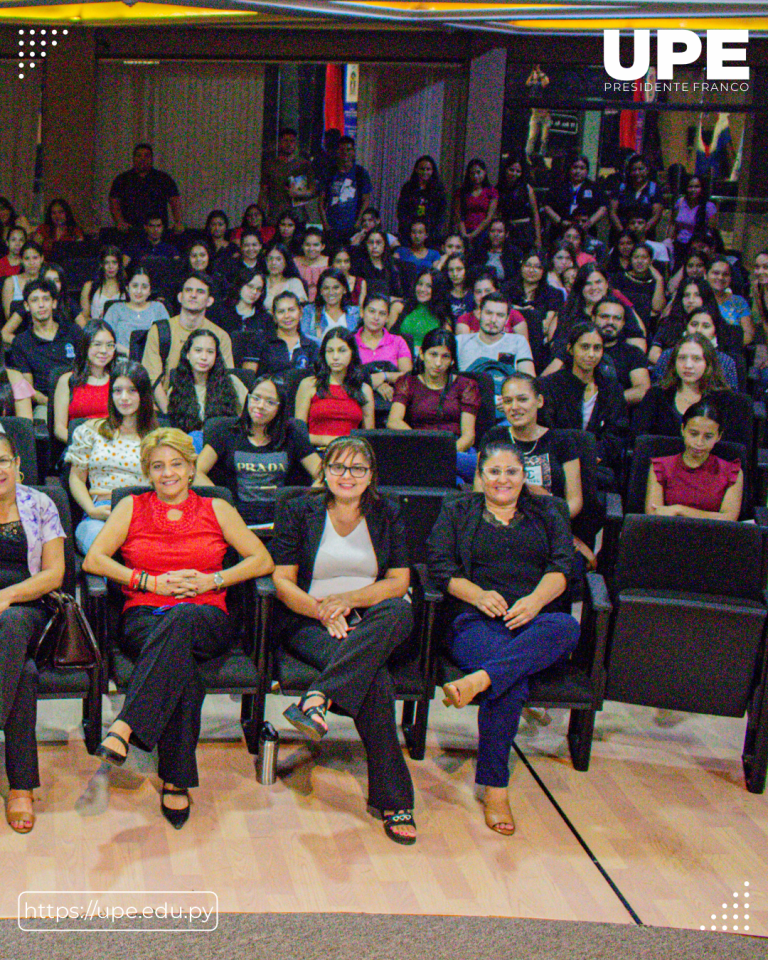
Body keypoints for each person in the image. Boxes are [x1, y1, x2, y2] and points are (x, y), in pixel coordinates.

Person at [84, 428, 273, 828]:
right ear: (148, 473)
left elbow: (261, 560)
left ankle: (125, 724)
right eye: (157, 466)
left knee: (184, 618)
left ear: (191, 469)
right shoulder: (131, 506)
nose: (167, 473)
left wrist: (212, 581)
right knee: (180, 664)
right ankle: (176, 780)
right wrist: (147, 582)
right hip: (144, 616)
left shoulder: (216, 508)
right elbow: (94, 560)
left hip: (206, 615)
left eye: (176, 464)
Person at [427, 437, 579, 835]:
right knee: (512, 683)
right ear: (479, 475)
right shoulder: (458, 509)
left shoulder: (548, 510)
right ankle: (495, 788)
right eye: (493, 471)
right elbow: (439, 567)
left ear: (523, 475)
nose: (502, 480)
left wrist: (533, 601)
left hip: (535, 619)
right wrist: (476, 595)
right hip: (475, 622)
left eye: (511, 471)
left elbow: (565, 566)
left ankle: (480, 680)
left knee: (567, 626)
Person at [271, 436, 417, 844]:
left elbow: (399, 581)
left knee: (401, 609)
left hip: (374, 616)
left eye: (357, 469)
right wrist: (323, 609)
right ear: (325, 471)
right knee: (375, 680)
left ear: (371, 476)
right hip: (310, 616)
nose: (346, 476)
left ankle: (317, 697)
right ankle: (394, 801)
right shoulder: (299, 509)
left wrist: (349, 601)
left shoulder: (386, 511)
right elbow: (282, 582)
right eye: (338, 467)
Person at [0, 433, 66, 833]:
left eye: (2, 460)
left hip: (29, 608)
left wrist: (6, 596)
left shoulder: (39, 503)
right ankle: (22, 787)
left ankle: (22, 786)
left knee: (9, 624)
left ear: (17, 462)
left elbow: (53, 574)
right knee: (21, 673)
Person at [197, 375, 321, 526]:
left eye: (270, 402)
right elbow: (195, 472)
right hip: (234, 521)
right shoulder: (226, 431)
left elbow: (323, 473)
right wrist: (222, 503)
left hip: (282, 522)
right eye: (256, 398)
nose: (260, 405)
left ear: (280, 407)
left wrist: (304, 503)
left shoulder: (292, 434)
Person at [66, 360, 156, 553]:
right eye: (117, 390)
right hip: (101, 512)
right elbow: (76, 478)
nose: (124, 398)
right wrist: (91, 509)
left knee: (147, 549)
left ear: (144, 394)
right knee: (102, 545)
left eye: (132, 391)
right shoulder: (90, 430)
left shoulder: (158, 437)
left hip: (146, 512)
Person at [539, 323, 628, 488]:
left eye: (597, 348)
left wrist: (593, 456)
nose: (591, 354)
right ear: (571, 349)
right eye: (585, 347)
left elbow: (616, 433)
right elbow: (546, 428)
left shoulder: (612, 388)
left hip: (595, 465)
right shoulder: (549, 385)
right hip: (556, 461)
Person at [387, 328, 480, 480]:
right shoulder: (407, 382)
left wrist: (443, 453)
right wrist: (425, 445)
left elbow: (468, 436)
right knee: (452, 479)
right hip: (417, 447)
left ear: (452, 360)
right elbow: (393, 421)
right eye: (433, 354)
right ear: (422, 354)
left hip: (455, 451)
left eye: (445, 356)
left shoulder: (466, 385)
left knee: (472, 465)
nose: (438, 363)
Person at [141, 271, 234, 414]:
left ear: (209, 301)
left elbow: (225, 379)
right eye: (188, 290)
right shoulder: (160, 330)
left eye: (200, 292)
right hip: (165, 410)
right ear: (180, 297)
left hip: (207, 411)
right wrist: (170, 413)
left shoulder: (220, 336)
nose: (193, 295)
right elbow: (152, 378)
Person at [645, 399, 743, 522]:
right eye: (693, 434)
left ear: (719, 436)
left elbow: (728, 519)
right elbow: (653, 515)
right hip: (669, 534)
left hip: (714, 536)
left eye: (708, 437)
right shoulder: (660, 466)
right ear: (683, 429)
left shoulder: (731, 472)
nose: (699, 443)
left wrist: (679, 510)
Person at [633, 332, 731, 441]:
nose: (688, 365)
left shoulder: (724, 400)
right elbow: (640, 440)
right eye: (682, 358)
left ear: (708, 364)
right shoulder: (656, 395)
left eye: (696, 359)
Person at [10, 279, 82, 419]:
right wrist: (53, 403)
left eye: (46, 299)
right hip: (45, 403)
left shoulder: (73, 331)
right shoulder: (21, 342)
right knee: (41, 421)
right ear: (26, 305)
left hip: (78, 397)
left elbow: (86, 369)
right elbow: (28, 389)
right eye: (35, 300)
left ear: (54, 303)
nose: (41, 305)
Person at [166, 328, 245, 451]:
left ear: (216, 356)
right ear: (187, 354)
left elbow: (249, 417)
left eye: (210, 352)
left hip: (224, 449)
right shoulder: (176, 389)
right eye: (198, 351)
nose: (204, 357)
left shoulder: (232, 383)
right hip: (189, 450)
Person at [294, 328, 375, 446]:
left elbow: (369, 438)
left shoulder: (364, 389)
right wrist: (329, 441)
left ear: (352, 353)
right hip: (317, 452)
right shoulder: (309, 385)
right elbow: (298, 435)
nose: (335, 357)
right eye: (330, 351)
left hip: (352, 454)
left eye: (342, 351)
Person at [457, 293, 535, 415]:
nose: (493, 320)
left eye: (500, 315)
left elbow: (529, 381)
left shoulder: (518, 341)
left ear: (507, 318)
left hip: (507, 410)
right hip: (466, 408)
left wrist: (510, 400)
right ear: (479, 313)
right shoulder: (460, 341)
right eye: (489, 313)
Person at [52, 320, 116, 443]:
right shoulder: (67, 380)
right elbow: (59, 429)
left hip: (112, 446)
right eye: (97, 344)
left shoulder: (118, 381)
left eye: (110, 345)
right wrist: (83, 444)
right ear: (85, 346)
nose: (104, 350)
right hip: (79, 446)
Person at [504, 250, 561, 372]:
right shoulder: (507, 288)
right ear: (521, 266)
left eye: (537, 267)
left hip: (539, 343)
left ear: (543, 270)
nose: (531, 270)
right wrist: (519, 310)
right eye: (528, 265)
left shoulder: (554, 293)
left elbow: (548, 322)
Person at [652, 309, 738, 391]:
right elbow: (656, 389)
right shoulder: (667, 355)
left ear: (715, 332)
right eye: (694, 324)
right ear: (686, 327)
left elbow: (731, 399)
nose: (698, 330)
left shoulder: (725, 361)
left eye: (706, 326)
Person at [241, 290, 318, 378]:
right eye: (281, 311)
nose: (287, 316)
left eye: (291, 310)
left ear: (300, 313)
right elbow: (247, 377)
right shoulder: (260, 340)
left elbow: (315, 380)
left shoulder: (311, 345)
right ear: (274, 316)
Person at [109, 143, 183, 233]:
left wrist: (178, 222)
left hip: (157, 232)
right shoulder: (122, 180)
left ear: (152, 159)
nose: (142, 159)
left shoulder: (163, 179)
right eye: (139, 156)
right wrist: (119, 222)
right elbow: (114, 203)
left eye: (146, 156)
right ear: (133, 158)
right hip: (130, 231)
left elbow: (175, 201)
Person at [103, 264, 171, 358]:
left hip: (153, 361)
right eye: (135, 286)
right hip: (121, 361)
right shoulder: (115, 309)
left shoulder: (158, 308)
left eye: (144, 287)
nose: (139, 291)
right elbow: (105, 339)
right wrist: (130, 353)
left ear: (150, 290)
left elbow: (167, 339)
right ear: (127, 288)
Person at [355, 293, 412, 403]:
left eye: (382, 313)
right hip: (358, 401)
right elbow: (345, 377)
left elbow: (408, 378)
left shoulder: (398, 342)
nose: (376, 317)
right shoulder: (350, 342)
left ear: (388, 317)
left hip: (392, 401)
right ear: (362, 312)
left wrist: (383, 376)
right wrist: (374, 385)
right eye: (371, 311)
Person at [651, 277, 720, 363]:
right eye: (686, 295)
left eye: (697, 295)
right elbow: (653, 354)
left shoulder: (718, 324)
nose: (690, 300)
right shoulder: (668, 323)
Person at [258, 128, 317, 225]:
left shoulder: (304, 165)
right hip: (275, 216)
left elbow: (312, 191)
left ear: (296, 143)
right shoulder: (270, 165)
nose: (289, 144)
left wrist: (299, 194)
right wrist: (260, 215)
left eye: (292, 141)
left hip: (298, 217)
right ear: (280, 143)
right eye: (285, 141)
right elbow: (263, 193)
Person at [319, 136, 373, 242]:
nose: (345, 153)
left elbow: (366, 200)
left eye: (349, 149)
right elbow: (321, 203)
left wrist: (358, 223)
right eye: (342, 150)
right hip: (332, 228)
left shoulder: (360, 173)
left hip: (352, 227)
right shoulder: (328, 172)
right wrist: (326, 225)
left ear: (353, 152)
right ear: (337, 152)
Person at [388, 268, 452, 351]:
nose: (422, 289)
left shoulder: (443, 320)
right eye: (420, 284)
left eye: (429, 286)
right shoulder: (398, 308)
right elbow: (388, 340)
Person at [542, 153, 606, 234]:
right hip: (560, 230)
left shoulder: (594, 187)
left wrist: (590, 222)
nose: (578, 171)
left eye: (582, 168)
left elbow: (603, 207)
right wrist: (560, 222)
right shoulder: (558, 186)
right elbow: (547, 206)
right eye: (575, 167)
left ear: (587, 170)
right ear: (569, 169)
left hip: (586, 231)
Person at [455, 271, 528, 339]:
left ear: (497, 291)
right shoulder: (465, 319)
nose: (483, 295)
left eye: (487, 291)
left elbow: (523, 347)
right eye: (478, 292)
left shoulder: (514, 316)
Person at [610, 242, 666, 330]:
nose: (640, 261)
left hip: (647, 327)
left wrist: (659, 279)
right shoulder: (619, 278)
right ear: (630, 260)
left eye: (644, 257)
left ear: (651, 260)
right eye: (636, 257)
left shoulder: (655, 282)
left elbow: (657, 307)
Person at [667, 175, 718, 268]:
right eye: (690, 187)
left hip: (696, 248)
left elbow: (711, 231)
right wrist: (668, 241)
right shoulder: (680, 202)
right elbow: (673, 224)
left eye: (696, 187)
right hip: (679, 245)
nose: (693, 190)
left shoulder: (709, 206)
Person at [396, 155, 447, 244]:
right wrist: (408, 228)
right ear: (416, 170)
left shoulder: (438, 189)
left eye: (428, 169)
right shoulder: (408, 188)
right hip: (409, 232)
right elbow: (402, 210)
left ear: (432, 171)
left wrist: (432, 231)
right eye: (422, 169)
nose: (425, 172)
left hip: (430, 233)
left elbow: (441, 212)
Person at [609, 155, 663, 239]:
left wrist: (641, 233)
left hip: (645, 237)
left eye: (640, 169)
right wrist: (624, 234)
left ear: (647, 170)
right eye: (634, 170)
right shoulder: (621, 188)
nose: (637, 173)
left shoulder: (654, 189)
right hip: (621, 237)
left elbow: (656, 215)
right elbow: (612, 212)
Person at [496, 153, 542, 249]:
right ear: (506, 169)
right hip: (507, 230)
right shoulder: (499, 188)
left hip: (524, 230)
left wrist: (538, 238)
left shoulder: (527, 188)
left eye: (518, 171)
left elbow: (535, 213)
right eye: (511, 170)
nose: (514, 173)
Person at [301, 268, 359, 343]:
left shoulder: (355, 313)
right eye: (326, 288)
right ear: (320, 291)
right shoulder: (310, 311)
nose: (331, 292)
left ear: (344, 289)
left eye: (336, 288)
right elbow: (305, 340)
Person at [77, 245, 126, 326]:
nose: (111, 267)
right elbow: (84, 317)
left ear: (119, 265)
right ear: (101, 265)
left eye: (114, 262)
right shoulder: (89, 287)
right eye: (107, 262)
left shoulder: (127, 288)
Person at [215, 266, 270, 338]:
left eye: (259, 289)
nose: (254, 292)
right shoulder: (220, 311)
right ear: (240, 285)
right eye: (250, 286)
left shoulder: (265, 318)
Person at [2, 240, 44, 333]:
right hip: (18, 332)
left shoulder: (47, 280)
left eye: (35, 258)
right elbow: (8, 316)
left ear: (42, 259)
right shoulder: (10, 282)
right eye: (27, 258)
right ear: (21, 260)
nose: (31, 262)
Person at [707, 257, 752, 342]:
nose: (720, 277)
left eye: (725, 274)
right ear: (705, 275)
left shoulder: (739, 302)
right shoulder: (697, 297)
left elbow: (748, 334)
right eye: (716, 273)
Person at [454, 159, 498, 245]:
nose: (475, 176)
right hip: (465, 231)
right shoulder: (461, 192)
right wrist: (464, 234)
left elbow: (489, 217)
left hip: (483, 232)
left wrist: (474, 234)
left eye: (478, 172)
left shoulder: (491, 191)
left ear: (484, 172)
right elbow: (458, 214)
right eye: (472, 173)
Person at [394, 219, 440, 292]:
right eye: (414, 232)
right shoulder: (400, 251)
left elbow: (435, 276)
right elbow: (394, 273)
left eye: (420, 232)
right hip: (404, 289)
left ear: (426, 235)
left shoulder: (434, 254)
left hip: (426, 290)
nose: (417, 235)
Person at [357, 228, 403, 300]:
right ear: (366, 244)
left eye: (378, 242)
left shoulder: (393, 266)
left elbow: (399, 295)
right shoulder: (359, 266)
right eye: (371, 243)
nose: (374, 246)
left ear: (385, 244)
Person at [472, 219, 521, 285]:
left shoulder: (514, 252)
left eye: (500, 231)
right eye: (492, 231)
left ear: (506, 234)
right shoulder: (480, 251)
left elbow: (517, 277)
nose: (495, 234)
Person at [263, 243, 307, 312]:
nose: (273, 263)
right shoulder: (261, 281)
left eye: (278, 259)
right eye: (270, 259)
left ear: (286, 261)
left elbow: (301, 309)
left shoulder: (294, 283)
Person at [293, 227, 329, 303]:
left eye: (316, 245)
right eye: (307, 245)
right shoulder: (294, 263)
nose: (311, 249)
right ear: (302, 246)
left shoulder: (329, 262)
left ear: (323, 246)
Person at [443, 254, 474, 322]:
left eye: (459, 269)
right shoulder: (443, 295)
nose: (455, 274)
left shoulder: (474, 293)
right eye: (451, 270)